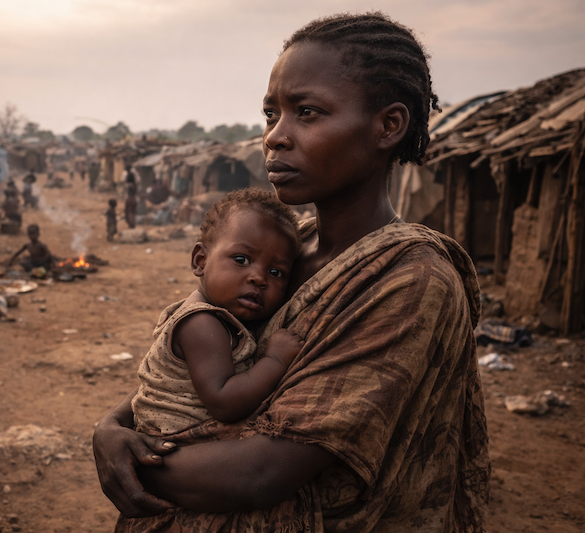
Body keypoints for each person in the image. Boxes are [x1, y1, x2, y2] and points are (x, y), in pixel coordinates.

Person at [93, 12, 490, 533]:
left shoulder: (409, 280)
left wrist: (128, 463)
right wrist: (114, 426)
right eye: (270, 114)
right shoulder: (286, 249)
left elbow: (264, 471)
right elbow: (204, 368)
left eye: (308, 112)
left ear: (388, 126)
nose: (276, 138)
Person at [133, 189, 303, 437]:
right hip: (177, 444)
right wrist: (275, 361)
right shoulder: (201, 323)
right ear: (200, 261)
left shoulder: (222, 316)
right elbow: (224, 403)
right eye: (241, 259)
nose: (258, 278)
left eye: (276, 272)